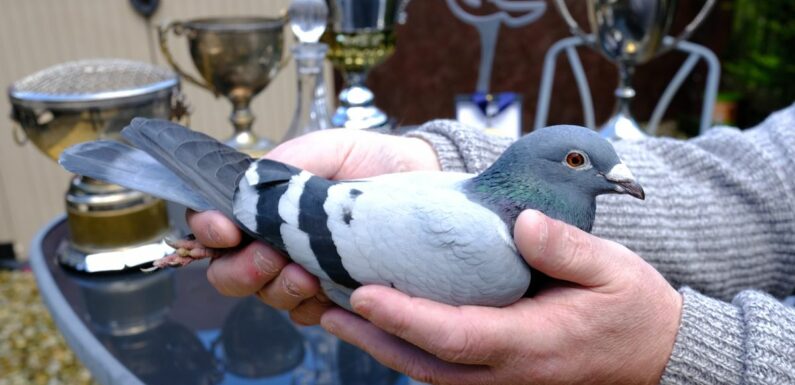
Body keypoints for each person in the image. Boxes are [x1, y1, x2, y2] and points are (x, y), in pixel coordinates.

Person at [186, 105, 795, 385]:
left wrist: (676, 347)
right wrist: (437, 162)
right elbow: (769, 180)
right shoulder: (493, 262)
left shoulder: (516, 241)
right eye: (582, 162)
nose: (615, 178)